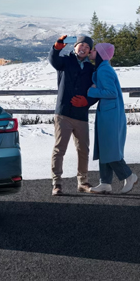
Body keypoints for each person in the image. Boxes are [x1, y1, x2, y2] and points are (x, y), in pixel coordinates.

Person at [48, 34, 99, 196]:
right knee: (59, 149)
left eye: (87, 47)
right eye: (81, 45)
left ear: (90, 51)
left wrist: (87, 101)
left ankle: (83, 182)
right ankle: (57, 184)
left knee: (83, 149)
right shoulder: (65, 61)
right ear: (75, 46)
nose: (83, 48)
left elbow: (97, 90)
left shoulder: (92, 69)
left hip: (81, 115)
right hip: (63, 113)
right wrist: (56, 48)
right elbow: (53, 60)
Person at [86, 43, 139, 194]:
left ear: (101, 54)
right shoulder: (103, 68)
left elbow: (111, 92)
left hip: (110, 115)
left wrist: (91, 91)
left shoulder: (104, 70)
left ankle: (129, 176)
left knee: (109, 148)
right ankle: (105, 183)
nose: (91, 52)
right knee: (105, 148)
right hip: (108, 113)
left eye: (94, 50)